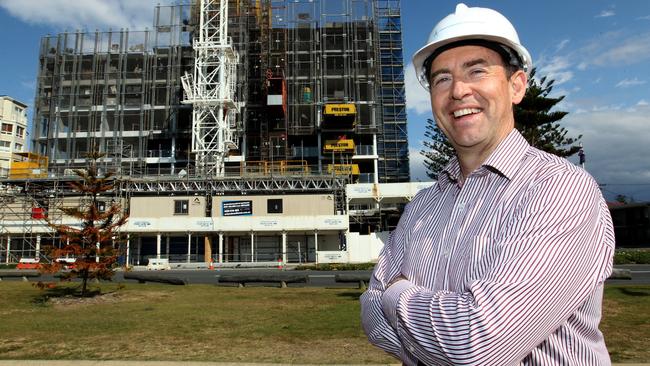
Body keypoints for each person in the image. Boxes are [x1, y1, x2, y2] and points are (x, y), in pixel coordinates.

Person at [360, 3, 615, 365]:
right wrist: (439, 327)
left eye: (476, 71)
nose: (458, 91)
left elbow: (480, 344)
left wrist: (396, 293)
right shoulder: (422, 207)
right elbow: (370, 318)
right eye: (441, 79)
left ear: (516, 86)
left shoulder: (560, 190)